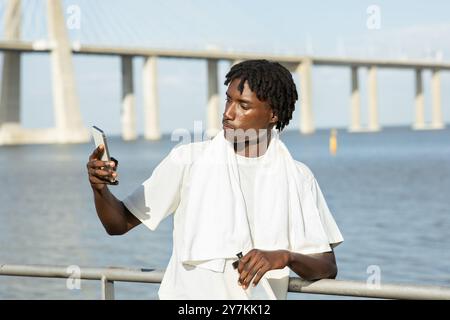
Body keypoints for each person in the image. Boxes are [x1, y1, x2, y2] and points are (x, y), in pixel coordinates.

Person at [86, 59, 343, 300]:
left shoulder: (298, 177)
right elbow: (118, 224)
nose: (229, 113)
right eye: (228, 101)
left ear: (273, 115)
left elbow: (326, 268)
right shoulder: (187, 161)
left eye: (243, 105)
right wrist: (99, 189)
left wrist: (284, 257)